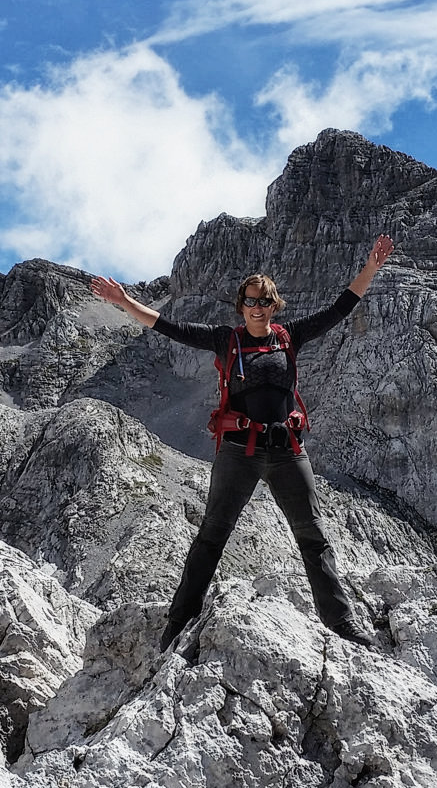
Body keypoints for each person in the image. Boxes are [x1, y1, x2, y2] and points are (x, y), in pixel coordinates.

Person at [89, 235, 395, 650]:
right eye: (250, 301)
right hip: (239, 451)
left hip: (288, 450)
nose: (257, 308)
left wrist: (371, 268)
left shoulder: (290, 337)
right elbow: (169, 327)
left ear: (274, 306)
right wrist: (124, 302)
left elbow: (340, 308)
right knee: (212, 536)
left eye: (264, 302)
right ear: (241, 305)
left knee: (313, 536)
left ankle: (342, 624)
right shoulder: (226, 340)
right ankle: (177, 624)